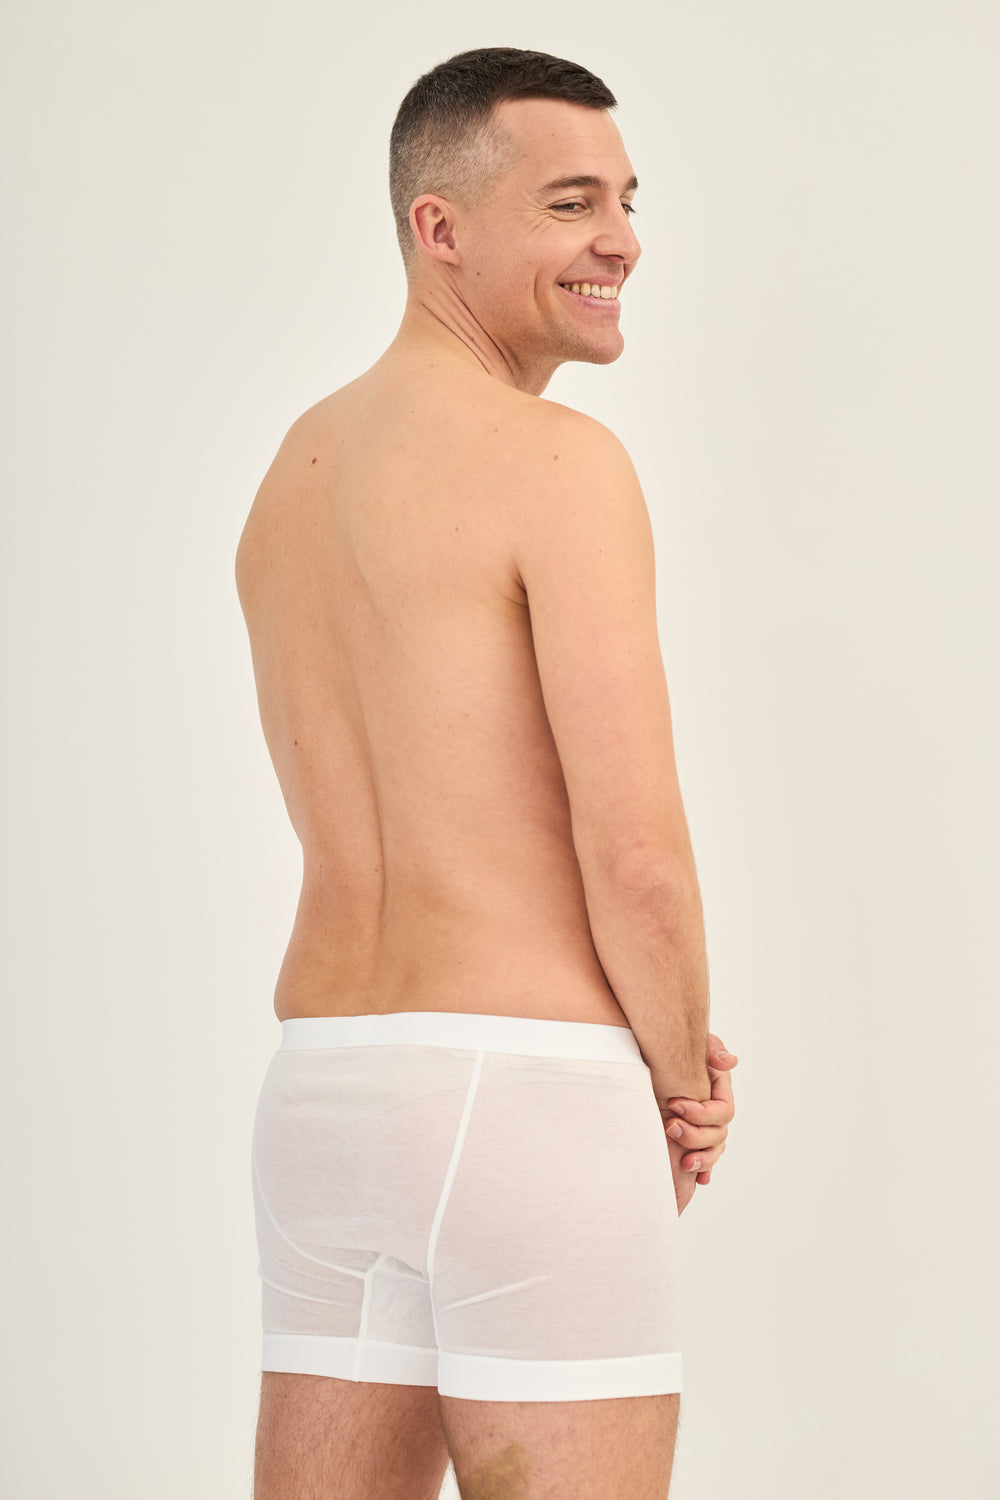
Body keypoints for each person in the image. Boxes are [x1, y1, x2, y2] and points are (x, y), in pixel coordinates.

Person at [236, 46, 738, 1500]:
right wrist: (682, 1077)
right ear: (438, 227)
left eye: (627, 200)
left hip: (324, 1098)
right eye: (571, 203)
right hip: (526, 1098)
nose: (621, 239)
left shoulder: (293, 474)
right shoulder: (556, 463)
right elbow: (634, 853)